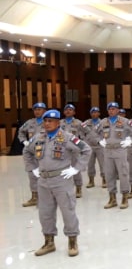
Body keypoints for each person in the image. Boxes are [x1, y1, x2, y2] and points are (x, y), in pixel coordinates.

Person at [23, 109, 91, 257]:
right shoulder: (38, 138)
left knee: (68, 211)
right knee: (45, 213)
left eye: (50, 121)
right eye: (45, 121)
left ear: (58, 122)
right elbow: (27, 151)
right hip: (43, 181)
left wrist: (76, 169)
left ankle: (72, 241)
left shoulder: (68, 138)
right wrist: (32, 168)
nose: (47, 124)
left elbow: (86, 149)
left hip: (62, 180)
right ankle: (49, 242)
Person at [97, 102, 132, 209]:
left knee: (123, 174)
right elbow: (93, 133)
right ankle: (112, 198)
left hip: (120, 150)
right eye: (110, 109)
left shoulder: (125, 121)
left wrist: (131, 140)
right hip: (107, 151)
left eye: (114, 109)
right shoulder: (103, 122)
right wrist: (98, 141)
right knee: (109, 175)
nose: (111, 111)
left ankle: (124, 198)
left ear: (118, 110)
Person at [18, 102, 47, 207]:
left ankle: (48, 198)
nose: (37, 111)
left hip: (45, 152)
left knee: (47, 174)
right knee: (32, 175)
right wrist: (24, 141)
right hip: (31, 152)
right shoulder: (29, 123)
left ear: (44, 111)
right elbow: (21, 132)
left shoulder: (48, 122)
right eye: (35, 109)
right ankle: (34, 197)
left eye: (40, 109)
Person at [59, 104, 85, 198]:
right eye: (66, 110)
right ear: (64, 112)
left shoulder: (79, 123)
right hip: (62, 148)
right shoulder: (60, 123)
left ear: (74, 112)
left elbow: (83, 135)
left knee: (75, 168)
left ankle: (78, 187)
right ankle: (65, 188)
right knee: (63, 168)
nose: (68, 111)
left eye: (70, 110)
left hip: (74, 149)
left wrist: (82, 147)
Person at [82, 107, 106, 189]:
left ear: (99, 113)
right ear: (90, 114)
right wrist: (84, 140)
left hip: (100, 146)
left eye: (96, 112)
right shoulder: (86, 123)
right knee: (90, 164)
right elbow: (81, 131)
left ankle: (104, 179)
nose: (94, 114)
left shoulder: (103, 122)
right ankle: (91, 180)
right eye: (93, 112)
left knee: (103, 164)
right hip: (90, 146)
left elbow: (106, 133)